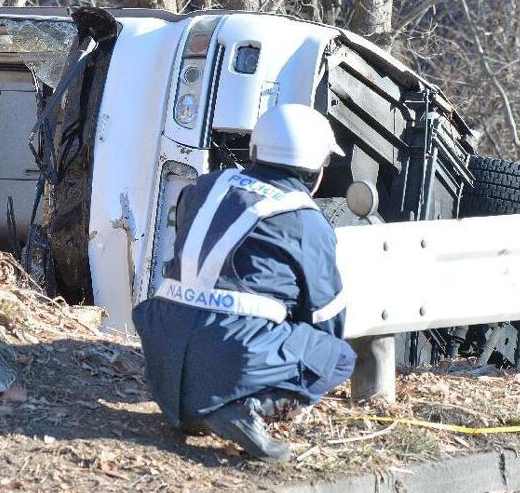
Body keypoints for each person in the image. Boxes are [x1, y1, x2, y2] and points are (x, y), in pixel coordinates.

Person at [133, 103, 356, 463]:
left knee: (214, 334)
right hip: (233, 348)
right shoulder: (306, 221)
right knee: (337, 356)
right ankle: (246, 406)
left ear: (255, 150)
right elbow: (326, 319)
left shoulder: (205, 187)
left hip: (163, 341)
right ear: (318, 169)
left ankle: (198, 407)